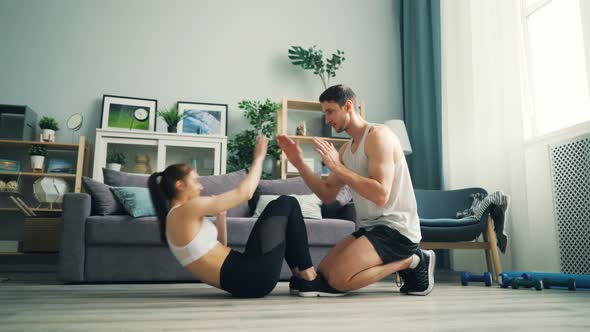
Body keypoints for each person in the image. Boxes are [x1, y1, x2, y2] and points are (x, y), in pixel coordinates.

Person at [277, 84, 435, 296]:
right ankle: (408, 261)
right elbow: (327, 194)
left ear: (348, 106)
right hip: (372, 228)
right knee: (323, 275)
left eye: (330, 111)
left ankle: (412, 260)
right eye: (325, 113)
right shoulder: (345, 149)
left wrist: (337, 167)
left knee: (338, 280)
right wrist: (299, 164)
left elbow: (381, 194)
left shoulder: (379, 136)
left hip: (398, 230)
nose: (327, 119)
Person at [148, 136, 342, 298]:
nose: (200, 186)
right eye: (195, 181)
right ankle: (308, 277)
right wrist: (259, 158)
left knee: (284, 206)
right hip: (251, 278)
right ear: (179, 185)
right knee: (286, 202)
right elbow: (245, 193)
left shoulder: (177, 218)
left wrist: (221, 217)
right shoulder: (186, 210)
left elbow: (220, 247)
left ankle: (301, 279)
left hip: (243, 279)